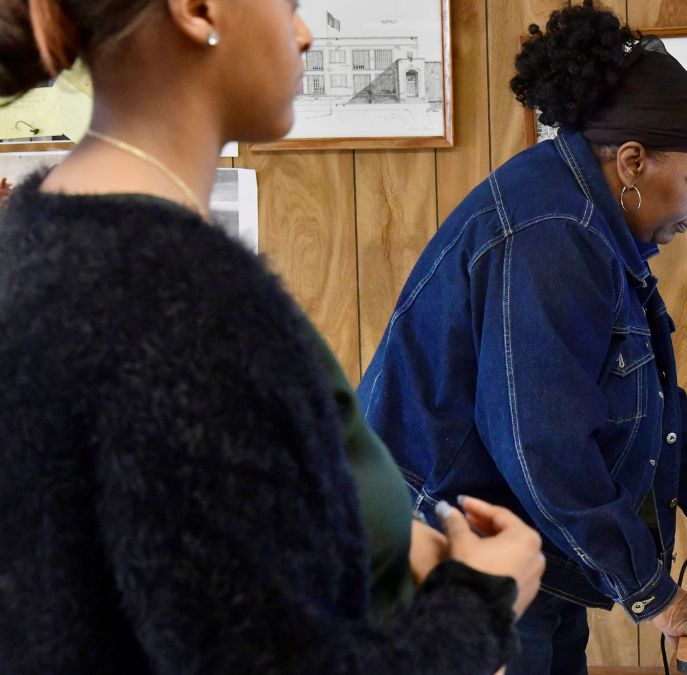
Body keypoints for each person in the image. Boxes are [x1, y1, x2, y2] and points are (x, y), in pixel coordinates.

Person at [0, 0, 544, 673]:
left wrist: (373, 542)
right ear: (198, 10)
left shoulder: (36, 242)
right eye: (289, 5)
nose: (307, 33)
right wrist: (482, 601)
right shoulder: (187, 307)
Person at [358, 2, 687, 672]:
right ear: (634, 162)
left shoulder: (588, 218)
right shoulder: (550, 233)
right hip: (459, 553)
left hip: (527, 541)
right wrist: (656, 596)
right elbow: (545, 444)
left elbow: (645, 397)